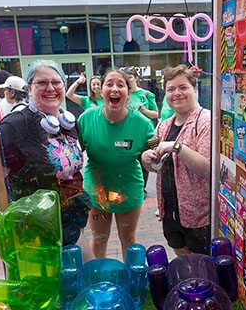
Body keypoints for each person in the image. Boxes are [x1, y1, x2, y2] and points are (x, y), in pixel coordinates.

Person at [0, 59, 94, 262]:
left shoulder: (67, 123)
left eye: (56, 82)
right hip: (39, 229)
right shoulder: (14, 126)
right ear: (29, 88)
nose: (50, 88)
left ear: (64, 86)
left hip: (72, 220)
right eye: (42, 83)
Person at [78, 68, 155, 261]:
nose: (114, 89)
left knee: (128, 239)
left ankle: (133, 284)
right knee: (99, 238)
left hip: (128, 190)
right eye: (109, 84)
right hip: (97, 192)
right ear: (100, 90)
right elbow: (73, 153)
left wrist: (153, 157)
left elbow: (151, 158)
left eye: (120, 85)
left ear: (129, 93)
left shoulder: (143, 123)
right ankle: (98, 281)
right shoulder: (86, 119)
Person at [141, 64, 211, 256]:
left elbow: (208, 169)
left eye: (183, 87)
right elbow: (155, 166)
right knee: (180, 253)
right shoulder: (165, 125)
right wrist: (146, 158)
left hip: (197, 214)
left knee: (201, 262)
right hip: (170, 210)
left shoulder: (205, 121)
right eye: (171, 89)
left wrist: (177, 147)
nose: (177, 93)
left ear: (195, 90)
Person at [120, 66, 159, 198]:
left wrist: (144, 111)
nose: (128, 80)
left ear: (136, 78)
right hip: (126, 134)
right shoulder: (123, 95)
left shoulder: (147, 94)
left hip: (143, 135)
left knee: (143, 161)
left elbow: (155, 114)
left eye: (130, 77)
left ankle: (142, 188)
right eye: (125, 78)